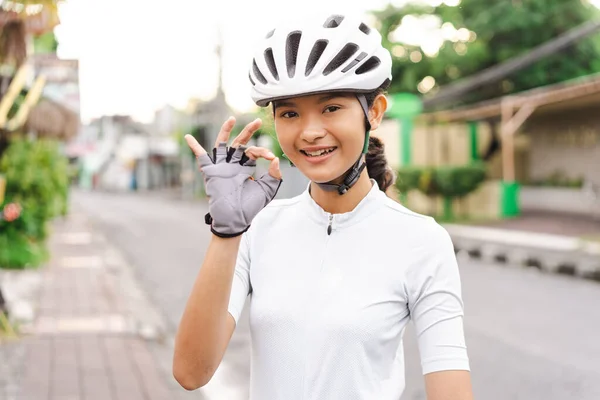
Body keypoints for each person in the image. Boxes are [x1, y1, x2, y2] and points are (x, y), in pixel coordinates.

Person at [174, 12, 473, 400]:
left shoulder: (422, 241)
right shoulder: (259, 229)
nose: (310, 131)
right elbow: (190, 372)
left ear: (375, 112)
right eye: (290, 113)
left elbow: (450, 388)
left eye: (331, 108)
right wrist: (225, 233)